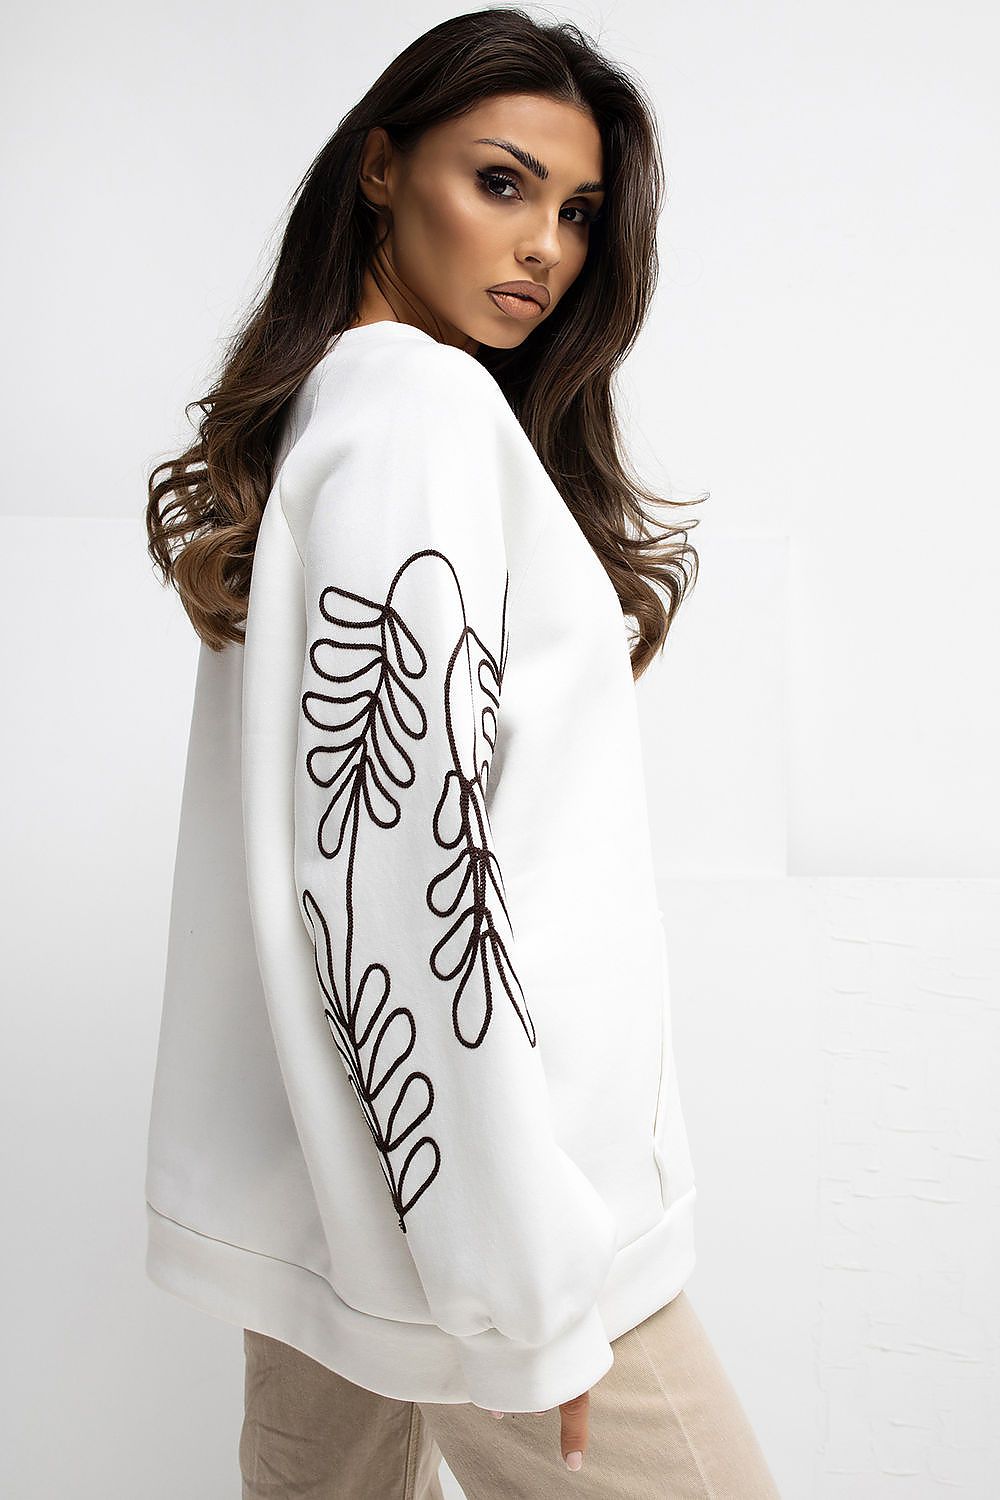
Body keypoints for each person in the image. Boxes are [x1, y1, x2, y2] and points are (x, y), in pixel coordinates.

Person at [143, 8, 781, 1496]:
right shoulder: (416, 410)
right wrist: (528, 1295)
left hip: (339, 1205)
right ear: (381, 168)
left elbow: (343, 857)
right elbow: (400, 869)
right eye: (501, 182)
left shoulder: (338, 417)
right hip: (494, 1214)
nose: (545, 247)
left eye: (578, 212)